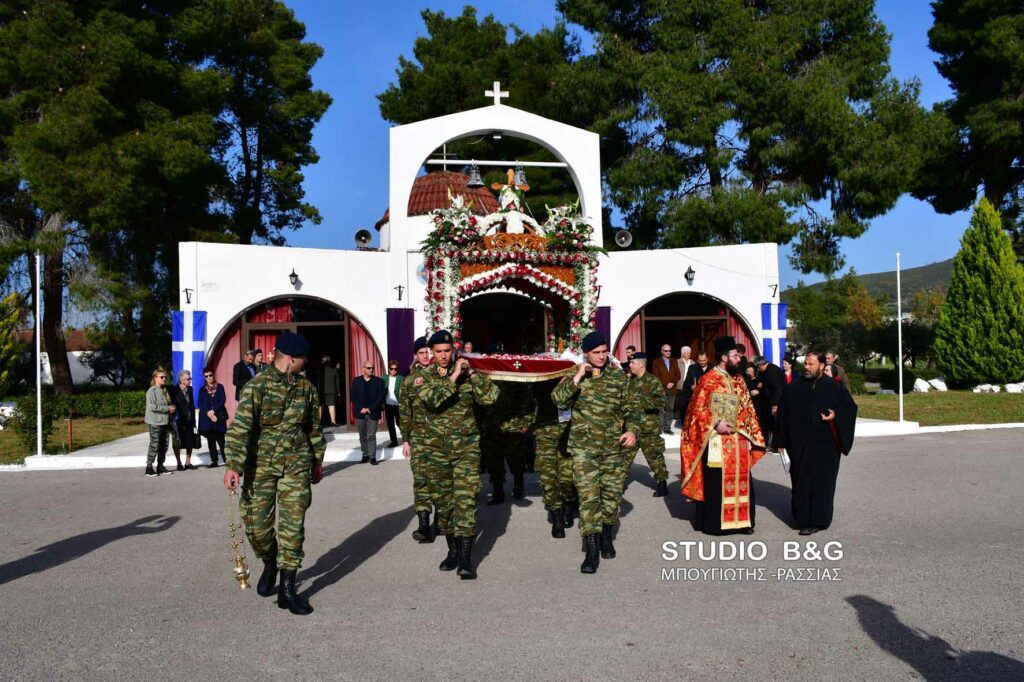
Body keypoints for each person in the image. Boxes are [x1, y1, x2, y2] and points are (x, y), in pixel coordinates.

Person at [223, 331, 326, 616]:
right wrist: (233, 465)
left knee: (292, 528)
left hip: (296, 466)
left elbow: (313, 428)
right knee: (257, 528)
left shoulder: (306, 389)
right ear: (291, 358)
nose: (306, 362)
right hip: (261, 468)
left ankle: (288, 589)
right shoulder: (257, 387)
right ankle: (270, 562)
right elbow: (240, 428)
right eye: (303, 358)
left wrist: (317, 460)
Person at [552, 331, 639, 574]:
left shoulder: (618, 377)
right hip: (584, 450)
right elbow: (558, 400)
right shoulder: (574, 374)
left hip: (613, 449)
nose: (601, 357)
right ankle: (591, 549)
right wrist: (578, 376)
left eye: (604, 352)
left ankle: (606, 537)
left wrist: (632, 430)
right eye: (596, 353)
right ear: (586, 354)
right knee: (589, 499)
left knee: (611, 498)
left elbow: (632, 409)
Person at [416, 330, 498, 579]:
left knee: (465, 502)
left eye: (447, 351)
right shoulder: (423, 376)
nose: (443, 356)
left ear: (454, 350)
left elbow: (491, 397)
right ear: (431, 353)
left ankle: (465, 559)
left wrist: (471, 373)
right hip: (436, 451)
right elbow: (433, 400)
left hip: (466, 449)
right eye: (438, 352)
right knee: (444, 505)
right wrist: (454, 376)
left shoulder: (467, 373)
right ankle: (452, 550)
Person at [680, 336, 766, 535]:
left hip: (739, 440)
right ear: (725, 358)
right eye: (735, 355)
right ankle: (716, 525)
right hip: (716, 442)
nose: (739, 358)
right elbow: (696, 412)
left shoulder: (739, 379)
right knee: (717, 482)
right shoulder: (708, 379)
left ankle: (742, 523)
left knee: (742, 480)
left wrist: (748, 430)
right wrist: (716, 423)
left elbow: (748, 408)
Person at [774, 352, 857, 535]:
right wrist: (780, 441)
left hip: (826, 446)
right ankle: (803, 519)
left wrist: (835, 415)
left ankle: (820, 519)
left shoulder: (834, 387)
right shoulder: (794, 387)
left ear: (821, 365)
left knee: (823, 483)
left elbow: (850, 408)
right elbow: (782, 414)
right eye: (805, 364)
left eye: (811, 364)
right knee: (801, 482)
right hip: (799, 445)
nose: (806, 367)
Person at [400, 337, 440, 543]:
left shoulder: (441, 376)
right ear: (415, 355)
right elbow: (404, 412)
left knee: (441, 480)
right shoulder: (409, 381)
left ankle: (441, 520)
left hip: (441, 438)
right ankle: (424, 524)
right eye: (422, 353)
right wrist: (406, 440)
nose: (426, 356)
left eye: (428, 352)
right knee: (421, 480)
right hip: (419, 439)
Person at [532, 378, 576, 538]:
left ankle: (568, 505)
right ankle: (556, 516)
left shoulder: (575, 373)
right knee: (547, 477)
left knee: (568, 477)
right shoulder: (540, 376)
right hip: (545, 430)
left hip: (568, 430)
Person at [624, 352, 669, 497]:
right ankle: (618, 484)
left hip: (648, 428)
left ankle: (662, 483)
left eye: (632, 363)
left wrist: (642, 400)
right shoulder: (630, 382)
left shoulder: (653, 381)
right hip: (631, 428)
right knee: (624, 457)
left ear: (641, 364)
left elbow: (661, 402)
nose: (630, 365)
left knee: (654, 457)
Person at [482, 381, 534, 504]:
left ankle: (518, 484)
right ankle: (498, 491)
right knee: (493, 459)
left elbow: (526, 398)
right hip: (491, 424)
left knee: (516, 457)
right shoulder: (486, 373)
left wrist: (526, 421)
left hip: (513, 423)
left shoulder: (513, 374)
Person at [350, 361, 386, 464]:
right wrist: (360, 408)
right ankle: (365, 455)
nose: (371, 370)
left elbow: (381, 397)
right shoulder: (356, 381)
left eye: (372, 368)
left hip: (373, 412)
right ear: (363, 369)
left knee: (371, 435)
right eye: (369, 368)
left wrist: (370, 408)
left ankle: (372, 457)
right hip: (360, 412)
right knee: (362, 436)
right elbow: (353, 395)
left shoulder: (379, 381)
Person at [144, 369, 175, 477]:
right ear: (155, 378)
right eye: (162, 377)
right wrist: (167, 409)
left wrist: (171, 408)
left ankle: (160, 466)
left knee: (164, 445)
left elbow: (167, 404)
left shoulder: (164, 391)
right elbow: (151, 407)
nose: (164, 379)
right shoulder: (151, 391)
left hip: (165, 421)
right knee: (154, 444)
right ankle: (149, 468)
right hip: (155, 422)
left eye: (165, 377)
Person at [753, 355, 787, 450]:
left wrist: (775, 404)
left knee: (776, 423)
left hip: (778, 401)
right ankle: (771, 442)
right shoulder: (764, 372)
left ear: (761, 365)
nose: (758, 370)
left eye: (758, 367)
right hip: (768, 401)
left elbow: (778, 389)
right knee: (769, 422)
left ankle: (777, 444)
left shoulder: (773, 371)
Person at [169, 370, 199, 470]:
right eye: (187, 379)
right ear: (181, 380)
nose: (190, 380)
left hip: (189, 420)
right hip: (178, 420)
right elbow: (171, 404)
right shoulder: (174, 390)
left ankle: (188, 462)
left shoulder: (190, 389)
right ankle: (179, 463)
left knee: (190, 441)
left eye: (190, 378)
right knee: (177, 442)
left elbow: (191, 404)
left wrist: (193, 419)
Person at [198, 367, 228, 467]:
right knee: (210, 441)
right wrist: (208, 413)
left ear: (213, 375)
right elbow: (200, 403)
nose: (209, 378)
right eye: (206, 376)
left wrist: (213, 411)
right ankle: (214, 460)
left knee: (221, 441)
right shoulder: (202, 389)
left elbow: (222, 400)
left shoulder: (220, 387)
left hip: (218, 417)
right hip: (208, 419)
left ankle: (227, 460)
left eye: (210, 375)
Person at [651, 343, 681, 434]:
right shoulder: (656, 362)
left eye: (669, 351)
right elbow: (656, 376)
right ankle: (659, 428)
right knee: (660, 410)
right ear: (662, 351)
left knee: (670, 410)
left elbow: (678, 375)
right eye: (666, 351)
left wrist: (673, 383)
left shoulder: (674, 361)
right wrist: (665, 384)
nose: (668, 352)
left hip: (672, 390)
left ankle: (667, 428)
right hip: (661, 389)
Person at [316, 354, 341, 427]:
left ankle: (318, 423)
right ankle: (333, 422)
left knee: (320, 406)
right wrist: (338, 392)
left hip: (321, 391)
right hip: (331, 391)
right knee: (331, 405)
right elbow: (337, 382)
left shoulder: (319, 371)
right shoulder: (333, 370)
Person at [384, 360, 403, 448]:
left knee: (400, 423)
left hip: (398, 405)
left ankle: (406, 440)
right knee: (390, 424)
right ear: (389, 369)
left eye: (395, 369)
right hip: (388, 404)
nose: (393, 370)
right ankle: (394, 441)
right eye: (391, 369)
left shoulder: (401, 379)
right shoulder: (384, 379)